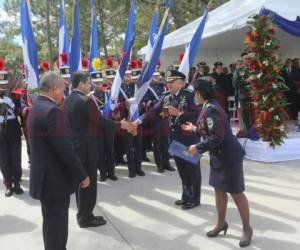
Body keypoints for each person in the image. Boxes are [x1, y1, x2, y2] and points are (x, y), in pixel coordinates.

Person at [182, 79, 253, 248]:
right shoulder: (208, 106)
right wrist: (193, 128)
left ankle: (247, 229)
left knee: (236, 193)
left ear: (201, 93)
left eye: (195, 93)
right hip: (218, 156)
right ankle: (221, 224)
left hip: (228, 156)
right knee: (219, 191)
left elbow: (217, 137)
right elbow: (208, 129)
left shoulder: (212, 108)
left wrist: (197, 147)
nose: (194, 96)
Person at [27, 72, 90, 250]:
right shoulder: (53, 111)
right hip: (55, 181)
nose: (64, 93)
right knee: (57, 228)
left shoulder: (37, 106)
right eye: (63, 89)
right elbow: (65, 149)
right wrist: (82, 175)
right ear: (54, 89)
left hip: (45, 178)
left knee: (51, 225)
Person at [135, 70, 201, 210]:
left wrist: (179, 114)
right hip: (175, 139)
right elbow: (154, 111)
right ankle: (186, 195)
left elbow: (197, 114)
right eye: (168, 82)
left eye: (172, 82)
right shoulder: (166, 96)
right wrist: (138, 121)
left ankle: (194, 198)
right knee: (182, 169)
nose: (168, 84)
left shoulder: (189, 96)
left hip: (189, 139)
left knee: (192, 169)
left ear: (181, 83)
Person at [0, 59, 23, 197]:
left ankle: (17, 183)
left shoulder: (14, 95)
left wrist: (13, 105)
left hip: (13, 128)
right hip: (0, 130)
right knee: (3, 158)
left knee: (15, 156)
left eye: (4, 83)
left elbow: (21, 112)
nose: (2, 86)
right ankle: (8, 184)